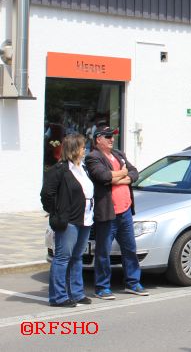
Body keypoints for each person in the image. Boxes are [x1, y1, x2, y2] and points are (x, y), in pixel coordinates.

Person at [85, 127, 147, 299]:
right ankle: (102, 287)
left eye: (112, 137)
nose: (111, 139)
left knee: (130, 249)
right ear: (98, 139)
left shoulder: (119, 154)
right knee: (103, 251)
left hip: (125, 210)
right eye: (107, 137)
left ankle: (133, 282)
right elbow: (103, 177)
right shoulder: (93, 157)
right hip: (107, 212)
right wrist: (123, 173)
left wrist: (119, 177)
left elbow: (135, 173)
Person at [40, 134, 94, 307]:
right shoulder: (60, 169)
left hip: (85, 219)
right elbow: (46, 194)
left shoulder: (83, 168)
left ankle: (77, 293)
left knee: (77, 257)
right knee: (63, 257)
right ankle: (58, 296)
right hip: (69, 220)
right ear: (73, 149)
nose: (84, 149)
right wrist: (55, 211)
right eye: (82, 147)